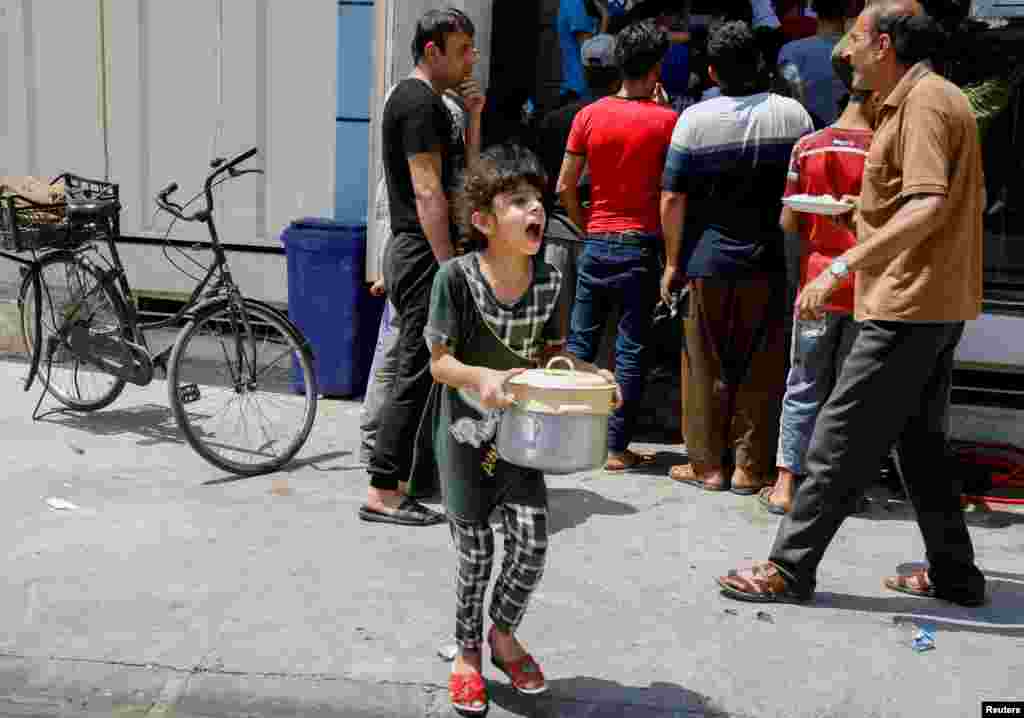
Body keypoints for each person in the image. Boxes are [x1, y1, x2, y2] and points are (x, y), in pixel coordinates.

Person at [718, 4, 988, 607]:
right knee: (920, 444)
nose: (845, 50)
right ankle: (956, 574)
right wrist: (856, 213)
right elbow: (911, 203)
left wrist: (842, 263)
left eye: (857, 39)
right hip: (932, 298)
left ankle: (788, 569)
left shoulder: (922, 104)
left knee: (837, 435)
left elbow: (926, 205)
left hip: (907, 300)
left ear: (885, 45)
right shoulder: (925, 99)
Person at [428, 144, 618, 715]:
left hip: (525, 440)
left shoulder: (551, 281)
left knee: (532, 545)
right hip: (465, 438)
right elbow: (439, 362)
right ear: (484, 221)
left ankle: (502, 635)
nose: (535, 210)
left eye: (537, 200)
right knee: (476, 555)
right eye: (518, 202)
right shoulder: (454, 280)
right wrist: (478, 375)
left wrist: (595, 377)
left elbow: (553, 358)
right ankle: (467, 654)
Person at [660, 20, 814, 494]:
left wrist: (670, 264)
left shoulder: (694, 121)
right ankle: (750, 469)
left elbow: (671, 198)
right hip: (769, 262)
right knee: (763, 366)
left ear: (711, 71)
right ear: (762, 64)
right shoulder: (794, 116)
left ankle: (707, 467)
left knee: (703, 366)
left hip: (707, 264)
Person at [359, 8, 483, 527]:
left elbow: (460, 178)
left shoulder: (433, 104)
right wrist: (447, 266)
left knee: (420, 368)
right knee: (413, 370)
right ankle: (383, 490)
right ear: (432, 51)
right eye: (462, 50)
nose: (471, 58)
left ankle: (405, 478)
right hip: (421, 250)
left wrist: (474, 117)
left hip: (418, 249)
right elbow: (428, 191)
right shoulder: (417, 103)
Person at [558, 20, 678, 471]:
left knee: (581, 345)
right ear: (656, 70)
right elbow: (672, 194)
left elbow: (565, 184)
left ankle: (567, 438)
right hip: (641, 247)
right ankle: (614, 448)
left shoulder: (587, 116)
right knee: (630, 349)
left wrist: (585, 224)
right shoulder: (668, 121)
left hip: (597, 242)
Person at [759, 87, 875, 515]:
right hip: (867, 284)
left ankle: (785, 484)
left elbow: (789, 219)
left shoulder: (806, 147)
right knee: (853, 391)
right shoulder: (885, 149)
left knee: (804, 382)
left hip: (816, 282)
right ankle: (845, 488)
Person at [777, 0, 850, 128]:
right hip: (857, 141)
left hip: (807, 140)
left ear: (812, 6)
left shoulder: (791, 52)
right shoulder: (865, 51)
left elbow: (787, 106)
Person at [558, 0, 609, 105]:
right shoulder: (575, 4)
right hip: (580, 92)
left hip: (581, 89)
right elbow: (591, 52)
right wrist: (605, 19)